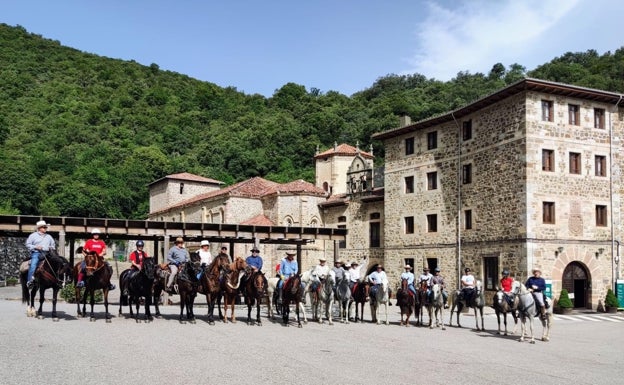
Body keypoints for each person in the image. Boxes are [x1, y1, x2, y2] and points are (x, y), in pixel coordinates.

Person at [25, 220, 56, 289]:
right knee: (33, 264)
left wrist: (50, 248)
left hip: (48, 253)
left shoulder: (49, 237)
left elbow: (53, 246)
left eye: (46, 227)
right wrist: (36, 247)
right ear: (39, 228)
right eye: (44, 227)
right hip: (37, 253)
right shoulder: (33, 236)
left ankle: (58, 279)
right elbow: (28, 244)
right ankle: (30, 281)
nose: (45, 228)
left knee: (57, 262)